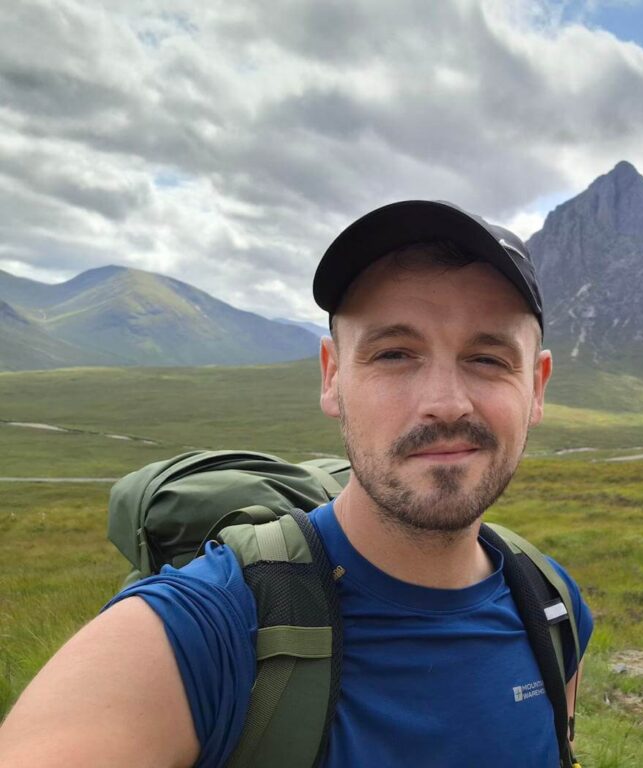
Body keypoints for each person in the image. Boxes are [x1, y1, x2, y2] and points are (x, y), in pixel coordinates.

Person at [0, 200, 594, 767]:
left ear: (536, 388)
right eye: (393, 354)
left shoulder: (551, 606)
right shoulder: (203, 630)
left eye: (488, 359)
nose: (444, 403)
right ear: (333, 377)